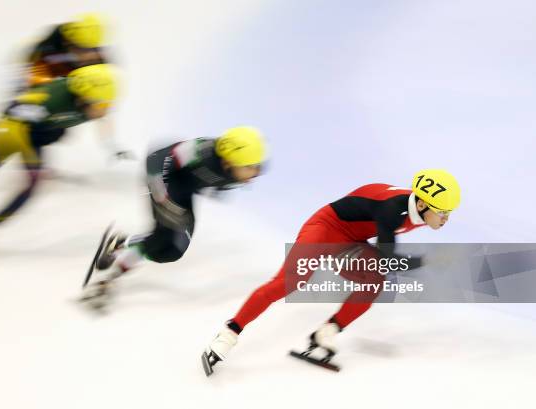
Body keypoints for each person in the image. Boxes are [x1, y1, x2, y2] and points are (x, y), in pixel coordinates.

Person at [202, 169, 461, 374]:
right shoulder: (393, 211)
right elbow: (389, 259)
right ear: (424, 205)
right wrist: (427, 261)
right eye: (443, 213)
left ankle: (327, 332)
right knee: (290, 282)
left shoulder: (417, 209)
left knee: (374, 283)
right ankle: (229, 333)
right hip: (325, 228)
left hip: (350, 240)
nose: (445, 220)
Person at [81, 127, 267, 307]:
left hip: (184, 189)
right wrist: (162, 198)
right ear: (229, 161)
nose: (256, 173)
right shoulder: (202, 151)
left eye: (258, 166)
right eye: (250, 167)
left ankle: (121, 243)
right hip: (163, 178)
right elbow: (156, 160)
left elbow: (210, 183)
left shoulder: (234, 166)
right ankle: (110, 278)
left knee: (172, 252)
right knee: (163, 236)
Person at [0, 64, 118, 236]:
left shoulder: (87, 103)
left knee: (32, 186)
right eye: (102, 104)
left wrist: (109, 145)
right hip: (10, 129)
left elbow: (98, 117)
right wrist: (32, 160)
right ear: (83, 96)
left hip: (33, 131)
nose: (105, 110)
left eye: (109, 105)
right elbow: (12, 116)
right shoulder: (50, 100)